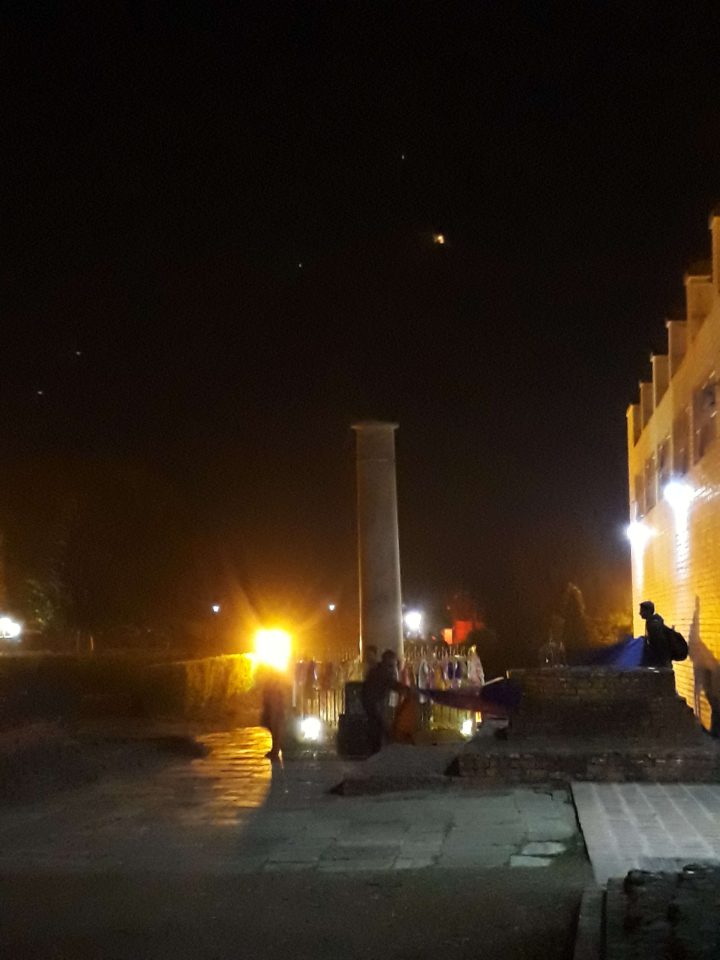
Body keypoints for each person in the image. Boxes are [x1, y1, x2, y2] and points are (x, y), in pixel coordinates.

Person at [361, 649, 413, 753]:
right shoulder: (382, 673)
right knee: (381, 733)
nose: (392, 668)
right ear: (386, 663)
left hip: (371, 706)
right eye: (391, 665)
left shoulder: (376, 671)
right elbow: (393, 684)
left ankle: (376, 754)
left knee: (379, 733)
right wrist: (409, 690)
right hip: (375, 707)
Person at [260, 673, 288, 761]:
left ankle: (275, 750)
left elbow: (275, 702)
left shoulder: (275, 689)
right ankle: (275, 749)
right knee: (274, 731)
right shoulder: (273, 687)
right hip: (272, 712)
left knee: (276, 730)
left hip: (275, 713)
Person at [639, 600, 672, 668]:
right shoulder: (651, 622)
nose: (640, 613)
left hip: (660, 663)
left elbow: (659, 644)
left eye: (642, 611)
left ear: (648, 611)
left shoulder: (653, 625)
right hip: (660, 662)